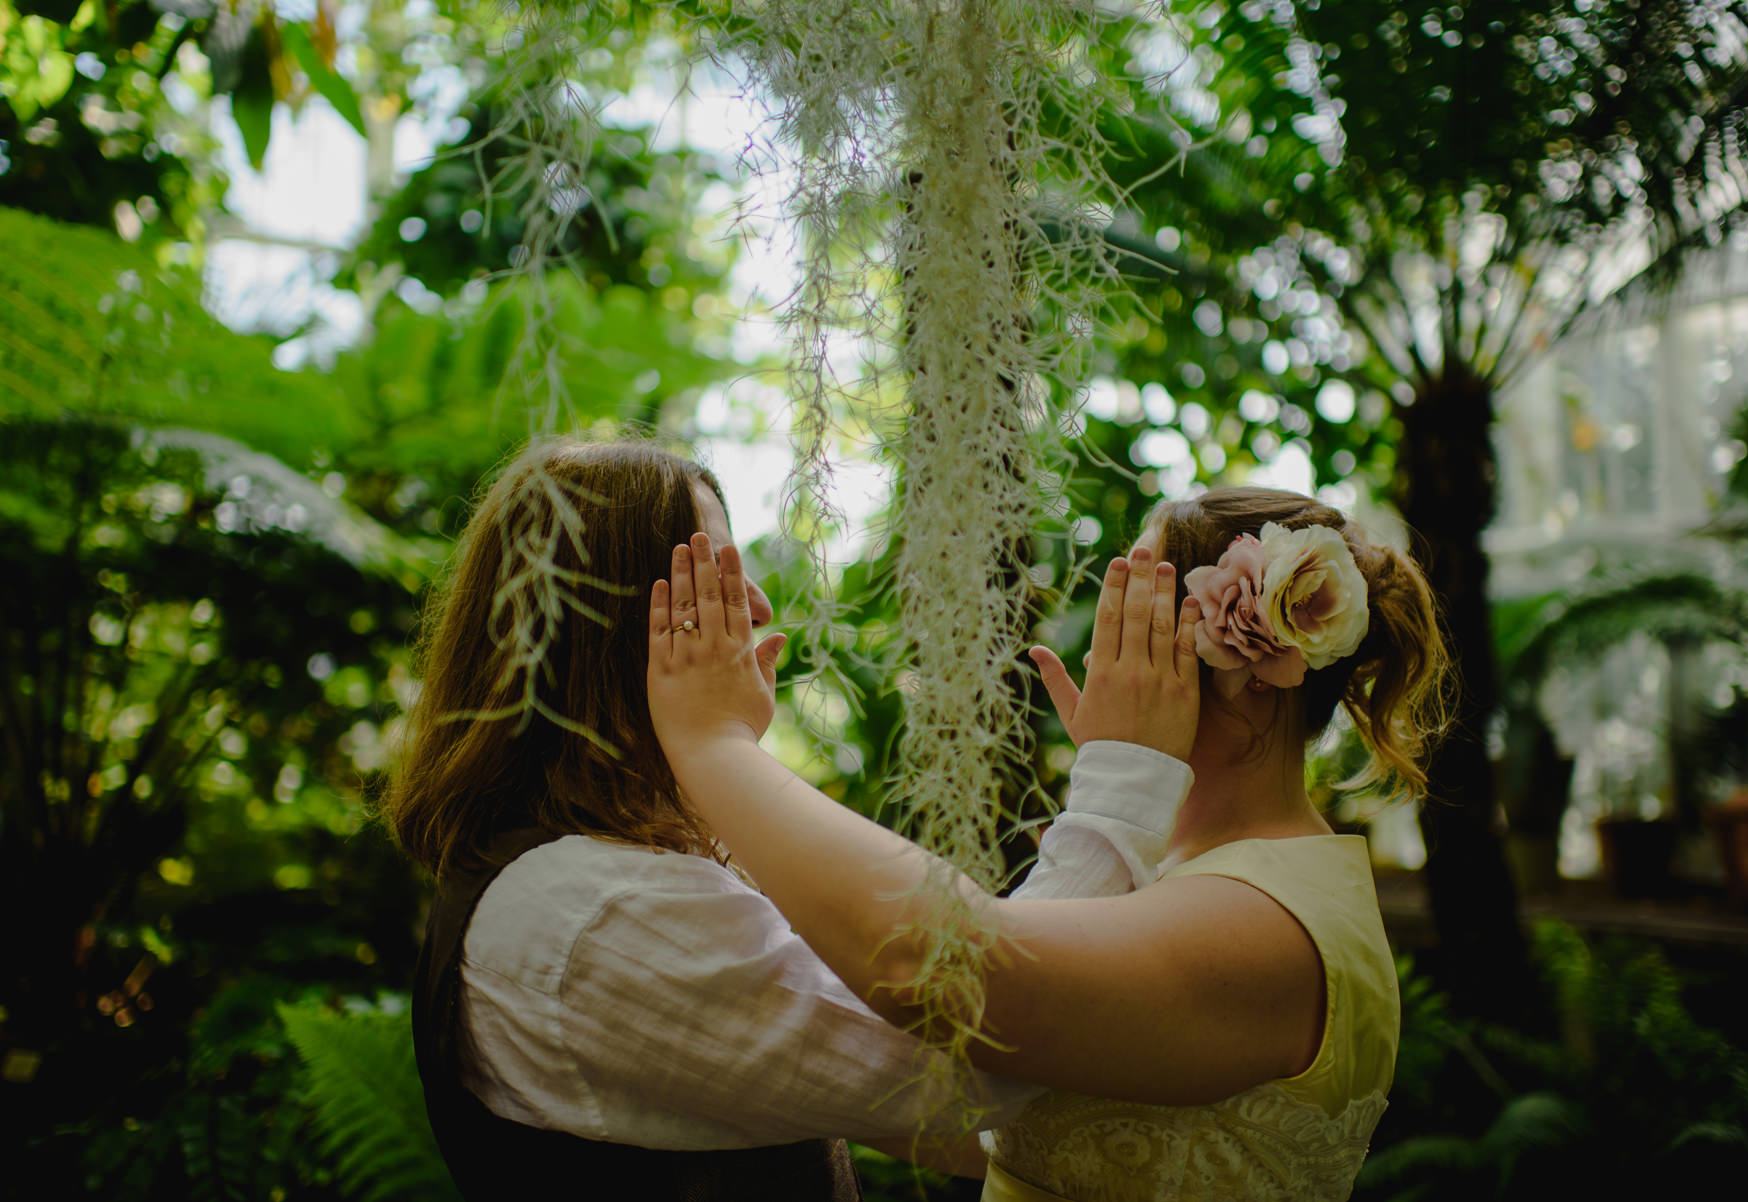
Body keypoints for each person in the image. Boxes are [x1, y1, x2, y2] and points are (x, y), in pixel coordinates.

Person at [382, 438, 1205, 1202]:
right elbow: (978, 1053)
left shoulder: (594, 874)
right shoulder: (593, 910)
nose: (758, 601)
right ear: (612, 620)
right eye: (713, 570)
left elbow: (959, 1127)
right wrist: (1126, 780)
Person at [644, 488, 1449, 1202]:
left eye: (1128, 615)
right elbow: (989, 1116)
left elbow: (941, 969)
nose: (1095, 654)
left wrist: (715, 744)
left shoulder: (1270, 920)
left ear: (1232, 656)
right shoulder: (1193, 875)